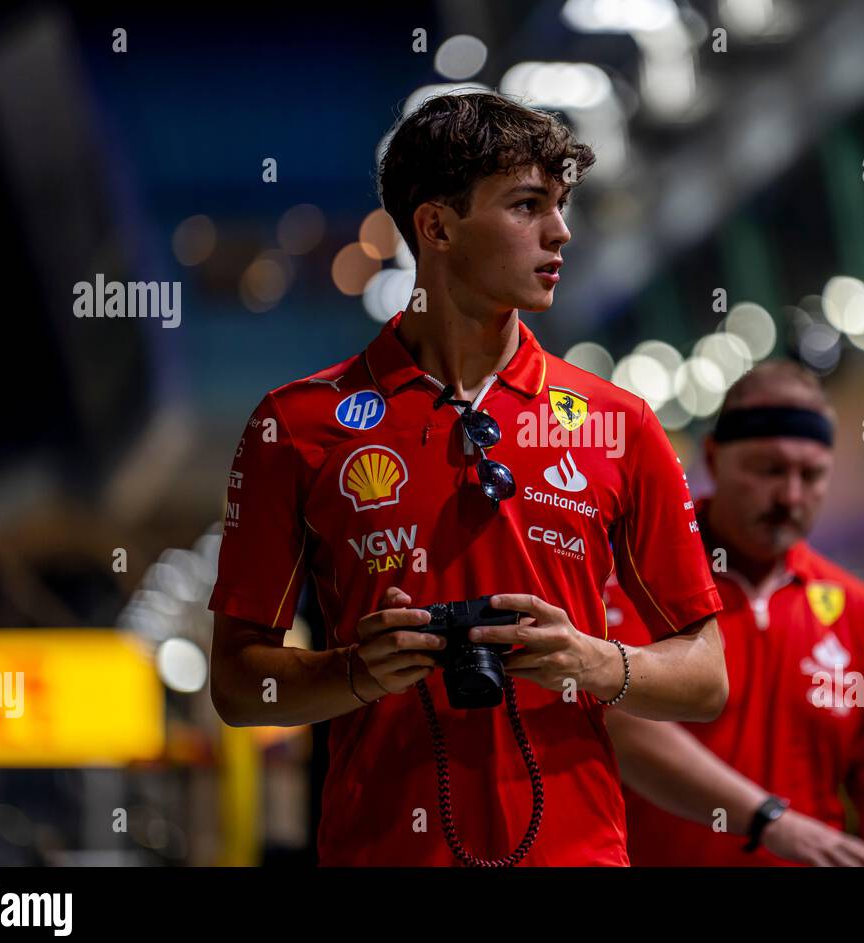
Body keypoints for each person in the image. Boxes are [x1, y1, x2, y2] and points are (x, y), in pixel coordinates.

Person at [207, 91, 727, 866]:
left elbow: (706, 676)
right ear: (436, 227)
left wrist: (592, 661)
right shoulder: (296, 425)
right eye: (527, 205)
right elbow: (240, 687)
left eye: (561, 205)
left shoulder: (619, 423)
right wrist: (354, 671)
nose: (560, 232)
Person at [604, 360, 864, 866]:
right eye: (770, 470)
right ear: (712, 459)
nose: (791, 496)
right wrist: (769, 822)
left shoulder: (861, 613)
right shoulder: (633, 577)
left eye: (812, 474)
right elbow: (617, 718)